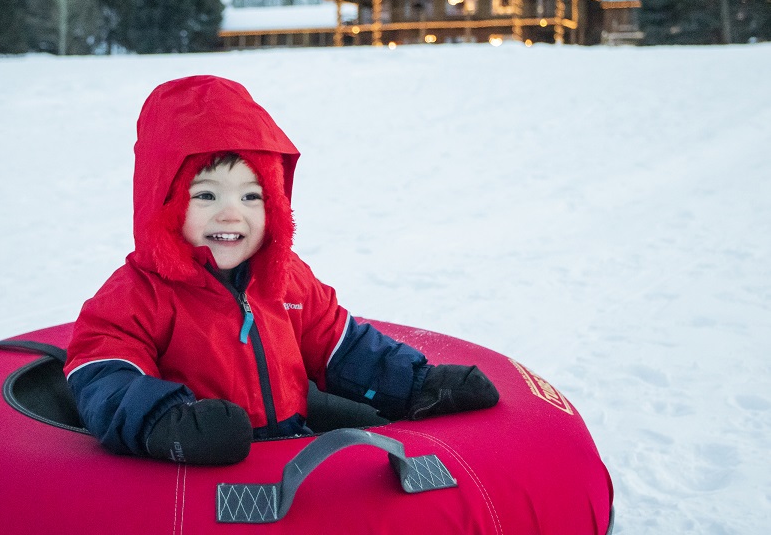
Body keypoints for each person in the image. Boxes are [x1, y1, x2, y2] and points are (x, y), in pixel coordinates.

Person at [64, 75, 499, 465]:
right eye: (206, 196)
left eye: (251, 197)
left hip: (291, 457)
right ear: (163, 204)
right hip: (201, 475)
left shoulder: (285, 278)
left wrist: (417, 385)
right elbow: (105, 373)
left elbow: (341, 346)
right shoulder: (138, 294)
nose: (231, 215)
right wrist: (168, 424)